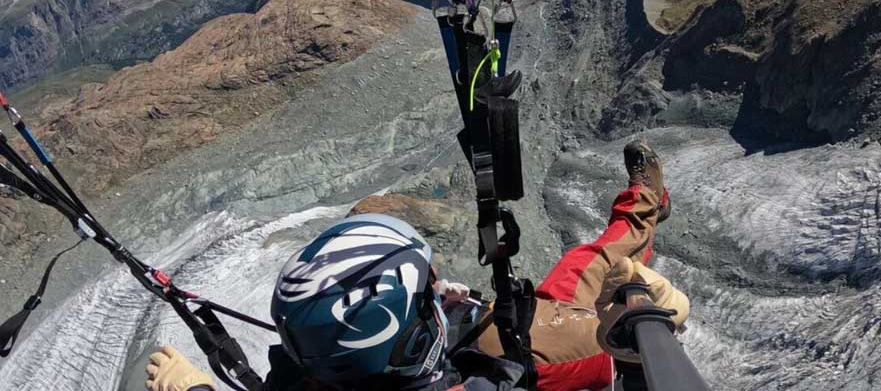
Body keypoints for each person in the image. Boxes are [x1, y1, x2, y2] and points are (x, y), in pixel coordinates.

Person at [145, 140, 685, 391]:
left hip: (473, 337)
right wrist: (648, 329)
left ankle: (644, 205)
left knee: (581, 263)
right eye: (427, 297)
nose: (443, 290)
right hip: (500, 353)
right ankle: (643, 209)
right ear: (403, 344)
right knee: (596, 295)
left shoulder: (316, 375)